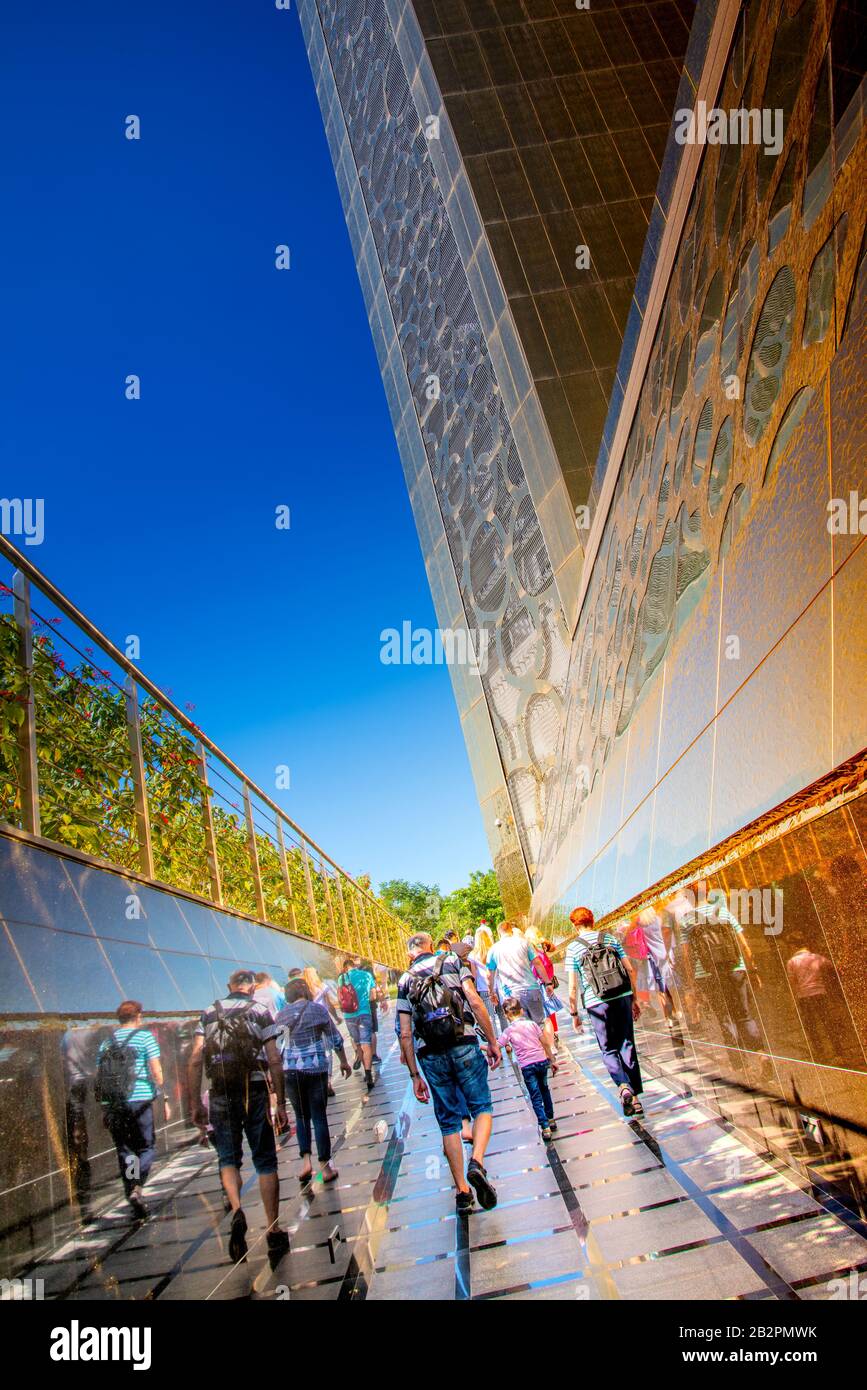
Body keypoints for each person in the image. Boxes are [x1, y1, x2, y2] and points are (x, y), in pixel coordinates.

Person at [188, 969, 290, 1262]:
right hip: (254, 1091)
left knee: (228, 1159)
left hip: (220, 1093)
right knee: (265, 1160)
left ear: (228, 986)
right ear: (253, 987)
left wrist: (195, 1103)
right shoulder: (259, 1011)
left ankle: (236, 1209)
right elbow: (273, 1058)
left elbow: (196, 1059)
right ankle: (273, 1230)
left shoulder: (209, 1012)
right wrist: (280, 1102)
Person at [397, 932, 501, 1214]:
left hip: (430, 1053)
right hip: (463, 1041)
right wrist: (492, 1041)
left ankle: (462, 1194)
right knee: (482, 1106)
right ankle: (476, 1162)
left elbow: (405, 1033)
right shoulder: (452, 960)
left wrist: (414, 1075)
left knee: (448, 1123)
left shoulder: (404, 980)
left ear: (410, 953)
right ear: (431, 947)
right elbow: (474, 1001)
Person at [566, 907, 644, 1116]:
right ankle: (635, 1098)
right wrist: (634, 998)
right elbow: (630, 969)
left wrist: (574, 1014)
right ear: (592, 920)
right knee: (627, 1044)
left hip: (596, 1002)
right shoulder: (609, 939)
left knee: (608, 1048)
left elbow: (572, 986)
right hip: (622, 996)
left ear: (575, 924)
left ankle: (623, 1086)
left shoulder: (573, 948)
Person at [96, 1001, 170, 1220]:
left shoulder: (106, 1043)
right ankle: (138, 1185)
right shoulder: (145, 1038)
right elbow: (157, 1072)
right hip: (140, 1099)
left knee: (126, 1148)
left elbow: (100, 1077)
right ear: (138, 1016)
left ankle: (131, 1190)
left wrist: (104, 1107)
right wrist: (163, 1095)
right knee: (146, 1146)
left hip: (115, 1103)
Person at [277, 978, 352, 1184]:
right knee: (319, 1117)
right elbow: (335, 1039)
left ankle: (306, 1163)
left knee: (301, 1117)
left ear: (288, 996)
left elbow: (277, 1048)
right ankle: (325, 1168)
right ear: (307, 992)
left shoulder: (280, 1015)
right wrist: (344, 1062)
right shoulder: (317, 1010)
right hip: (315, 1068)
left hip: (291, 1072)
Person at [499, 997, 559, 1139]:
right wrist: (552, 1059)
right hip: (541, 1062)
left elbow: (498, 1045)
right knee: (545, 1090)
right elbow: (544, 1042)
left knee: (535, 1096)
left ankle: (545, 1127)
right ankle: (551, 1119)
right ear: (522, 1010)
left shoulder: (508, 1030)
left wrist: (485, 1047)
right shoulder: (532, 1024)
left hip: (527, 1067)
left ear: (506, 1015)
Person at [487, 921, 552, 1039]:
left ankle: (533, 1054)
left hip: (512, 995)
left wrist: (491, 992)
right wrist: (548, 982)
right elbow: (537, 963)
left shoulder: (494, 949)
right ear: (511, 930)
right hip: (531, 988)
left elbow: (490, 974)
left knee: (522, 1029)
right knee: (540, 1024)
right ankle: (549, 1051)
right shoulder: (524, 943)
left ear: (499, 933)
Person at [337, 956, 378, 1089]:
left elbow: (340, 998)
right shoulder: (366, 975)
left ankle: (362, 1065)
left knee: (358, 1044)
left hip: (349, 1016)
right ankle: (368, 1072)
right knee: (367, 1044)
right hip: (364, 1012)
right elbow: (373, 996)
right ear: (355, 965)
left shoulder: (342, 978)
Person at [532, 939, 565, 1047]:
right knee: (549, 1012)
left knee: (545, 1014)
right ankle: (553, 1034)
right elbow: (549, 964)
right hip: (544, 984)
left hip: (539, 985)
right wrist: (548, 981)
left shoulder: (535, 955)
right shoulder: (540, 952)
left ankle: (549, 1037)